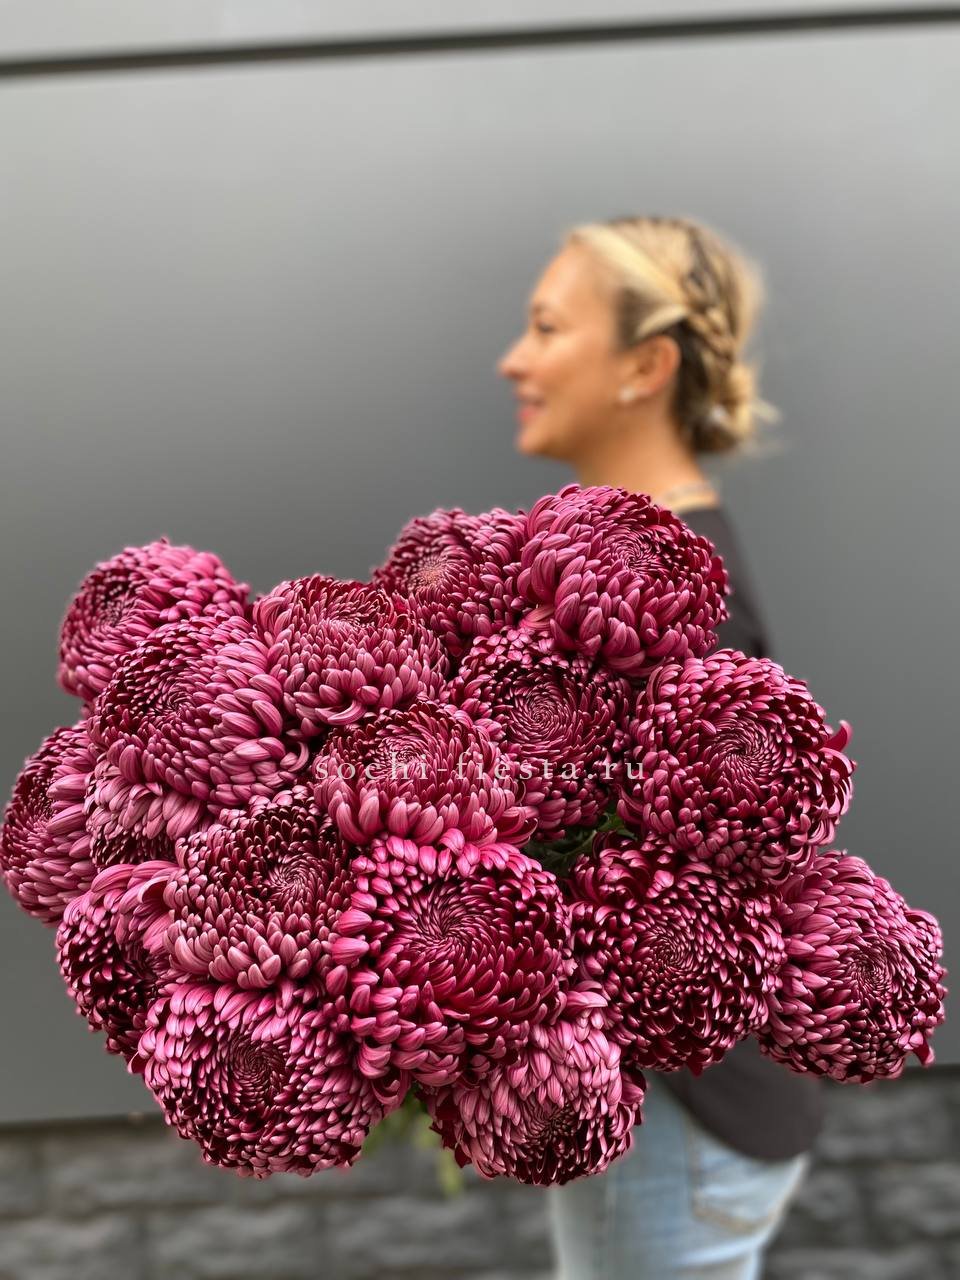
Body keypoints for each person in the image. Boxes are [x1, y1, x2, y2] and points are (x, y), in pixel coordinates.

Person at [496, 215, 821, 1279]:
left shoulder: (680, 598)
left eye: (547, 328)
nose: (513, 359)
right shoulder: (625, 565)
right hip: (676, 1121)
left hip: (676, 1118)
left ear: (646, 366)